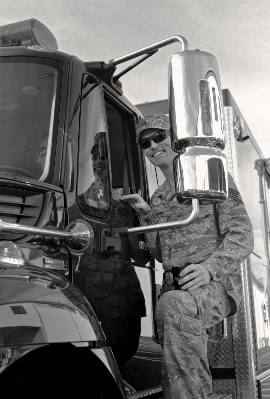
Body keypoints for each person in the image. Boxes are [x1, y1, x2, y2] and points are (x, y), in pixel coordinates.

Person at [121, 114, 254, 398]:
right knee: (176, 364)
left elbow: (242, 235)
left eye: (160, 137)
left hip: (213, 286)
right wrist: (146, 215)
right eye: (146, 143)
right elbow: (159, 253)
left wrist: (209, 269)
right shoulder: (158, 197)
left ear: (177, 139)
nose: (153, 145)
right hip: (177, 289)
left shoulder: (210, 176)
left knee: (174, 307)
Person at [70, 132, 151, 368]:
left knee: (120, 355)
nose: (97, 161)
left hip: (122, 302)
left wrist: (133, 219)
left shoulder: (128, 206)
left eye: (103, 156)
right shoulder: (76, 206)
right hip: (86, 299)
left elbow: (142, 257)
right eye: (94, 156)